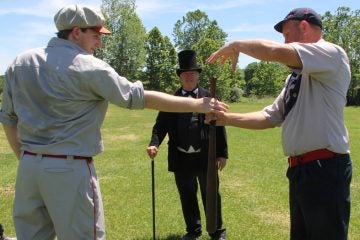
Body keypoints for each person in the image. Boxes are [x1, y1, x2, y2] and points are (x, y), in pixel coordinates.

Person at [0, 4, 228, 240]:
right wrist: (198, 104)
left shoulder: (20, 62)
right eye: (96, 35)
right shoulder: (88, 66)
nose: (99, 43)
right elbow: (138, 97)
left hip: (28, 168)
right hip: (70, 169)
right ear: (76, 32)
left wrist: (27, 159)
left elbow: (8, 118)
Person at [206, 7, 352, 240]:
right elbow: (271, 116)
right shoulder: (296, 76)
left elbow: (273, 51)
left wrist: (237, 45)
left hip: (325, 168)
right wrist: (226, 118)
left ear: (303, 26)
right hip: (301, 171)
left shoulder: (330, 53)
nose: (282, 41)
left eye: (285, 33)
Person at [146, 50, 228, 240]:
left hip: (205, 156)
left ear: (198, 75)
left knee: (211, 194)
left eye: (193, 73)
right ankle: (193, 230)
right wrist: (154, 144)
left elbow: (220, 125)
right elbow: (160, 126)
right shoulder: (171, 100)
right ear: (180, 77)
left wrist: (222, 153)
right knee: (187, 195)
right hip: (180, 156)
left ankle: (217, 231)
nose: (189, 76)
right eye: (185, 73)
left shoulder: (209, 97)